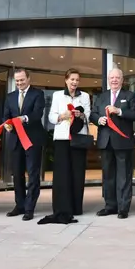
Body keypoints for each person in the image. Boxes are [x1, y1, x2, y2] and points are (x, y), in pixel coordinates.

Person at [40, 68, 91, 224]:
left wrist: (81, 114)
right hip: (62, 138)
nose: (74, 82)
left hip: (78, 137)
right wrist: (63, 116)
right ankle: (62, 206)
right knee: (62, 174)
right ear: (66, 80)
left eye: (77, 80)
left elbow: (88, 115)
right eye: (72, 79)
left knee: (77, 173)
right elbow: (51, 117)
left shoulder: (85, 96)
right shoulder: (57, 95)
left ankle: (76, 207)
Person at [91, 68, 135, 219]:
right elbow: (93, 113)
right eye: (112, 77)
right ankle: (110, 206)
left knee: (124, 176)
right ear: (108, 79)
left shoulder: (129, 95)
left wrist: (119, 111)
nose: (114, 80)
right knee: (108, 176)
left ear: (122, 79)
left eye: (117, 77)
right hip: (106, 141)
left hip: (123, 141)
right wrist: (99, 120)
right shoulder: (101, 96)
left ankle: (123, 207)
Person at [3, 68, 46, 221]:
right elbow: (6, 116)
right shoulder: (10, 97)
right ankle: (19, 205)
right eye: (17, 81)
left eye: (22, 80)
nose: (19, 83)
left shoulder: (38, 94)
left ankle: (29, 208)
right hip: (15, 140)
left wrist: (24, 118)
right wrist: (7, 125)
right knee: (17, 175)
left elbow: (37, 114)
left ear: (28, 79)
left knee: (33, 175)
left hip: (32, 140)